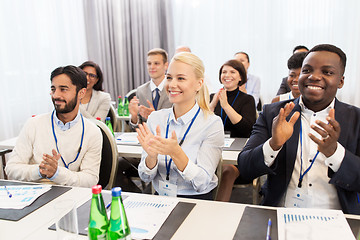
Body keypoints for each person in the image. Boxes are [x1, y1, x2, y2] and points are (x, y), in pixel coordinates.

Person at [238, 44, 360, 215]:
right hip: (280, 216)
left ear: (341, 81)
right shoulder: (273, 113)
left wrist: (335, 153)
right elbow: (245, 168)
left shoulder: (356, 119)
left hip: (337, 219)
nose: (314, 77)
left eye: (327, 72)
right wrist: (273, 144)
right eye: (307, 70)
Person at [137, 52, 224, 200]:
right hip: (160, 199)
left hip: (196, 200)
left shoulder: (212, 124)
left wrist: (176, 153)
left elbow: (202, 183)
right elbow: (145, 177)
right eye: (169, 77)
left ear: (199, 84)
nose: (172, 84)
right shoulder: (155, 119)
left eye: (181, 78)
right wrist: (152, 157)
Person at [5, 66, 102, 187]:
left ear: (81, 93)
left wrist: (57, 173)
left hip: (71, 197)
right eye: (53, 89)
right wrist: (40, 170)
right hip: (35, 196)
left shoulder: (93, 132)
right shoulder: (33, 124)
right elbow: (11, 168)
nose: (56, 95)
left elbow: (90, 180)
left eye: (63, 89)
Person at [209, 59, 256, 202]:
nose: (227, 75)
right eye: (224, 72)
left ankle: (217, 208)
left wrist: (226, 106)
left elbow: (247, 128)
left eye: (232, 72)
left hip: (237, 154)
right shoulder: (213, 97)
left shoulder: (247, 99)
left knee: (227, 170)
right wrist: (214, 103)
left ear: (240, 77)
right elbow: (202, 123)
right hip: (213, 148)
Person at [129, 48, 172, 129]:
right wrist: (134, 116)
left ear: (166, 65)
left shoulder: (174, 88)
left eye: (156, 63)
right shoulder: (141, 91)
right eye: (149, 63)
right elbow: (136, 128)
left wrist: (155, 117)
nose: (152, 67)